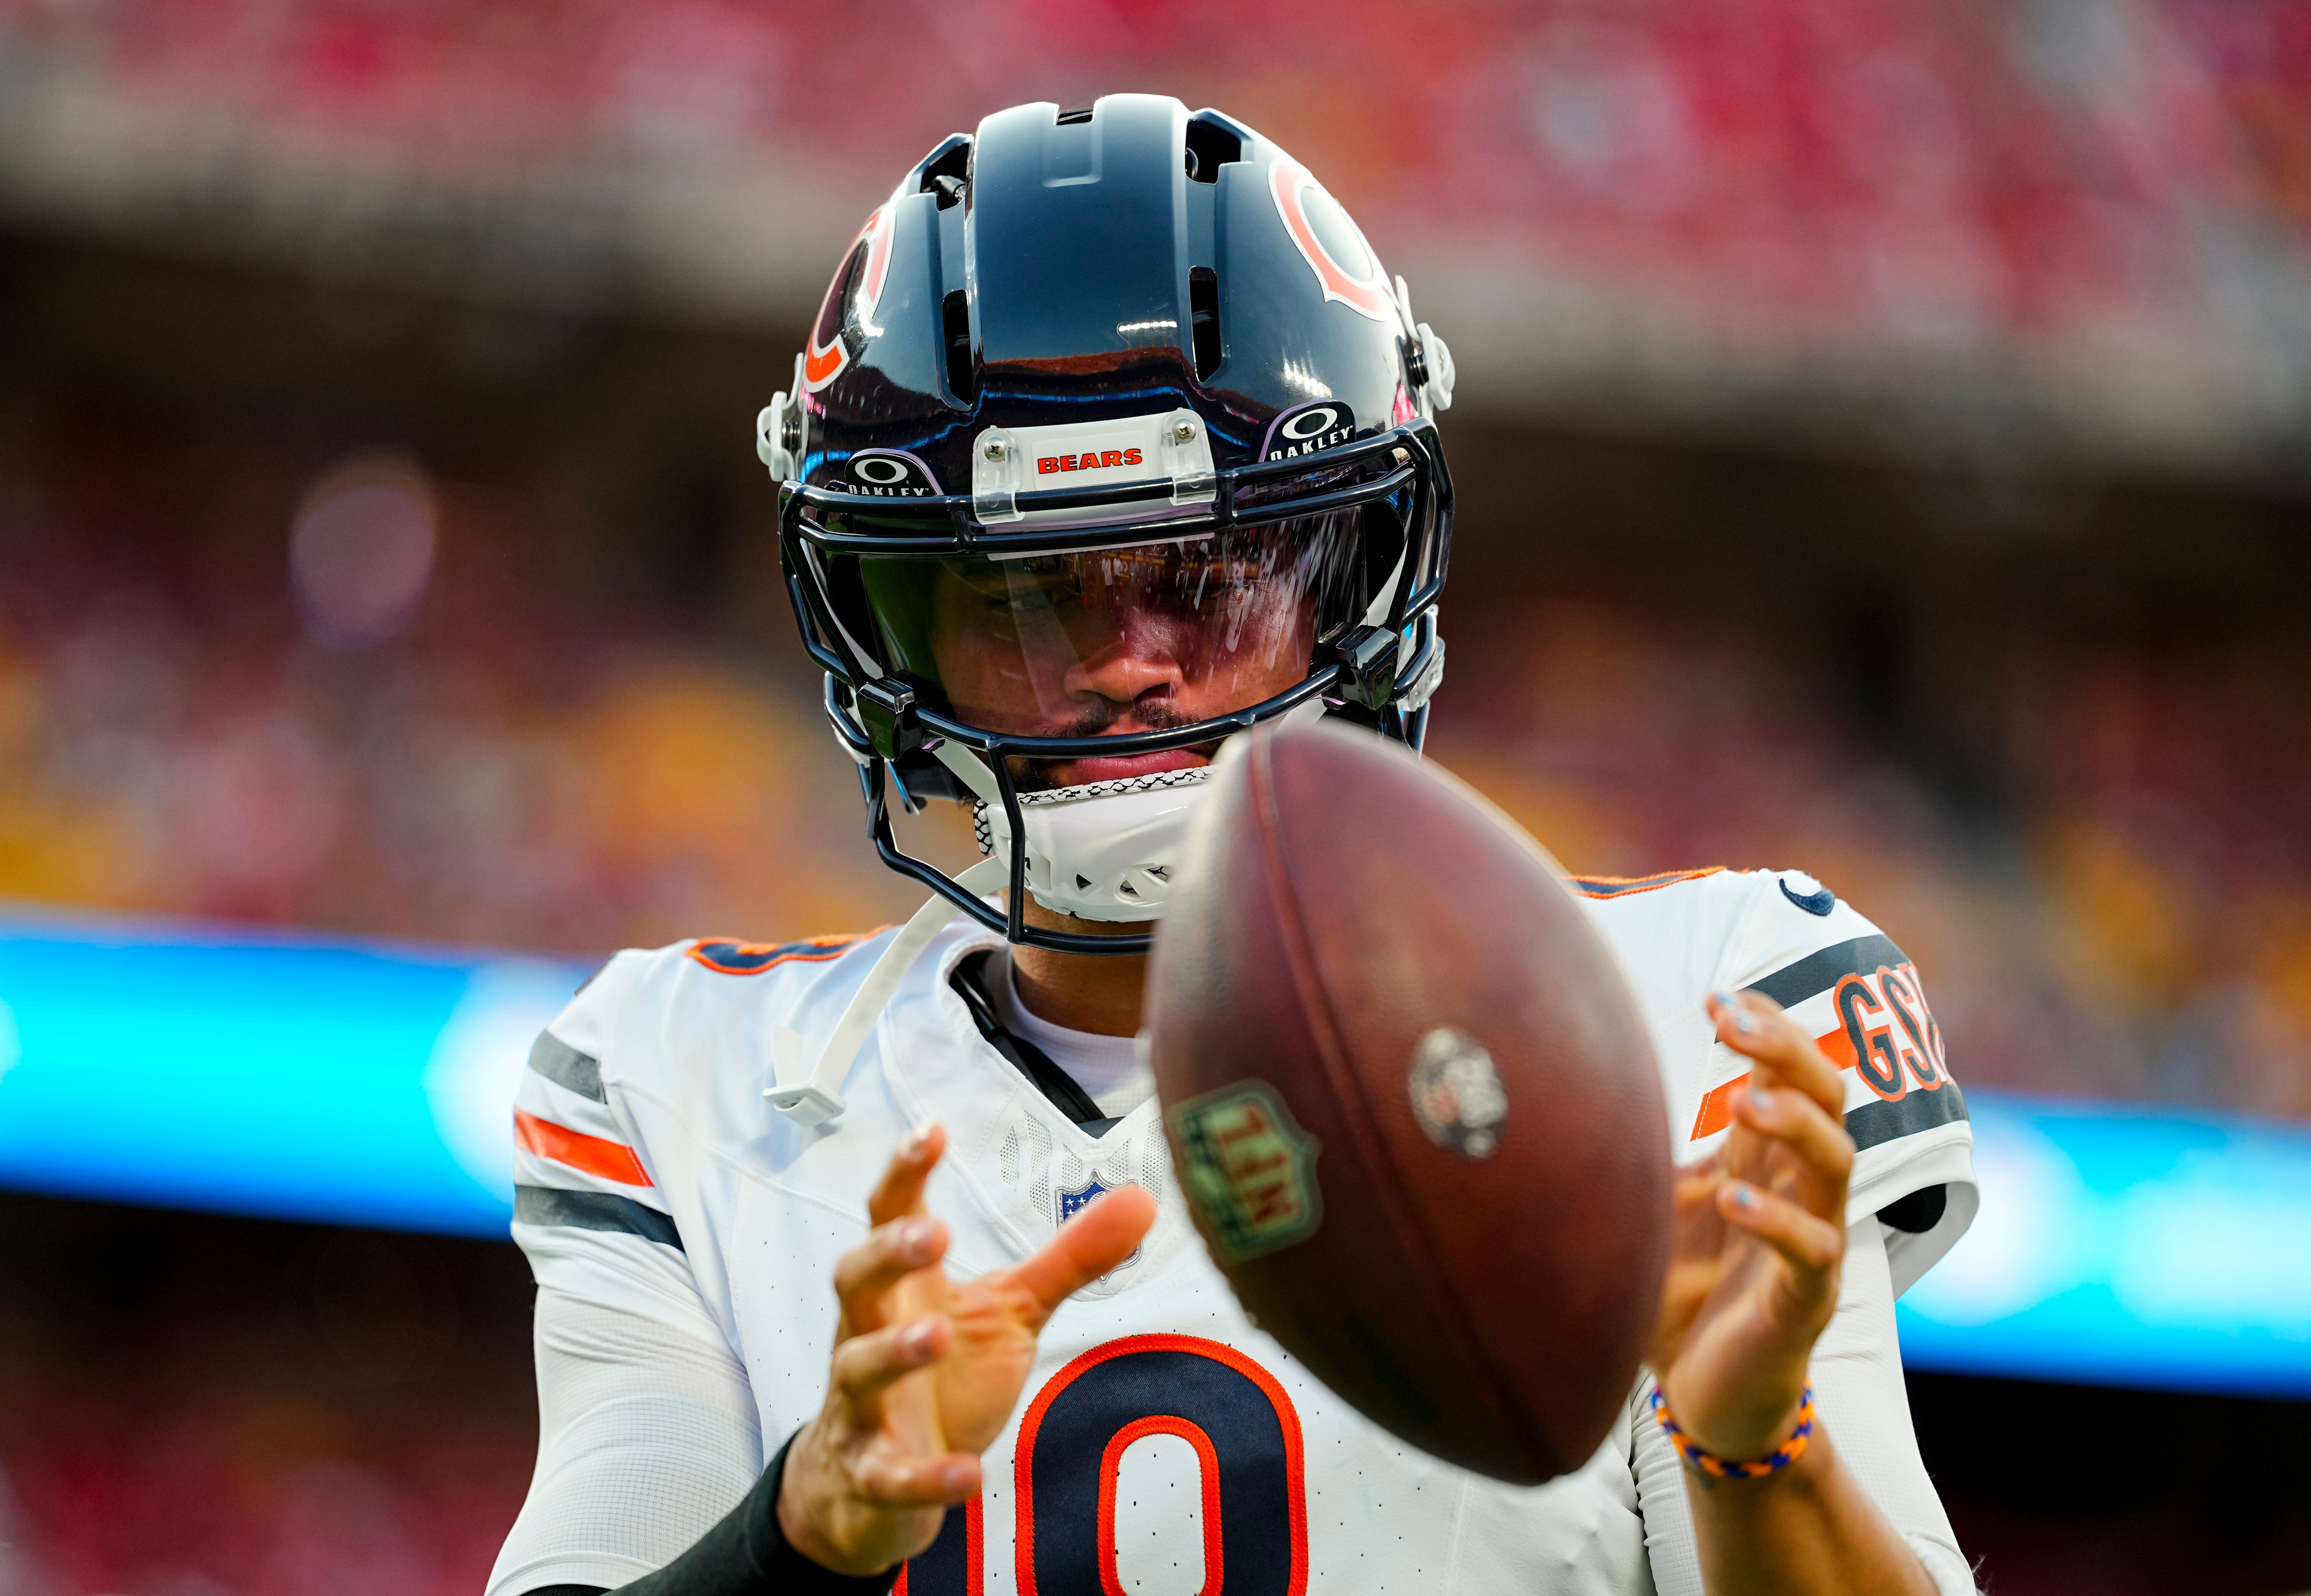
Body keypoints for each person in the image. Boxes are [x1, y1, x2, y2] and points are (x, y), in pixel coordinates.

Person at [486, 95, 1979, 1596]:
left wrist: (1757, 1444)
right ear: (895, 634)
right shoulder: (685, 1082)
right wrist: (801, 1535)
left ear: (1353, 582)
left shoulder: (1699, 1005)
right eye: (1026, 595)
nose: (1126, 661)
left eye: (1205, 580)